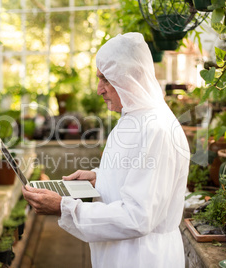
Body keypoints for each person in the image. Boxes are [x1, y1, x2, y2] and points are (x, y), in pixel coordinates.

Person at [22, 32, 190, 267]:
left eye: (106, 79)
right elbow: (136, 174)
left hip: (142, 257)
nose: (99, 89)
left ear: (130, 78)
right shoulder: (133, 116)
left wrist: (65, 207)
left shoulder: (157, 129)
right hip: (119, 252)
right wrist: (97, 177)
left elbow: (138, 217)